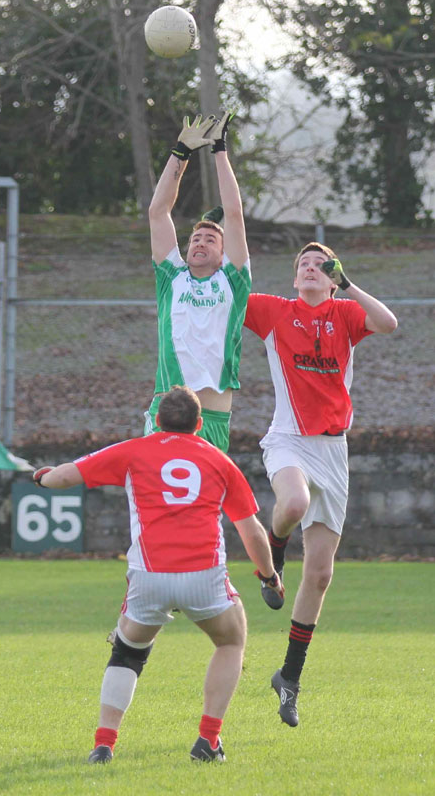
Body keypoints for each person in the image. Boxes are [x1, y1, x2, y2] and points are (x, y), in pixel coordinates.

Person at [33, 385, 283, 763]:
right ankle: (208, 741)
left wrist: (44, 478)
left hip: (149, 576)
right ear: (199, 424)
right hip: (204, 575)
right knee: (231, 642)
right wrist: (269, 577)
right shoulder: (218, 461)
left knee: (128, 651)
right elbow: (252, 531)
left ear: (156, 422)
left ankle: (104, 744)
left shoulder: (134, 450)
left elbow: (66, 477)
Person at [244, 242, 398, 727]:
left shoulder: (346, 313)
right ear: (293, 279)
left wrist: (348, 283)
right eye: (302, 265)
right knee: (292, 502)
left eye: (320, 266)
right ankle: (272, 559)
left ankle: (289, 677)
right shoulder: (273, 311)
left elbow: (389, 323)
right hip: (289, 439)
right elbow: (226, 292)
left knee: (322, 577)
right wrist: (215, 239)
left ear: (331, 279)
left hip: (334, 451)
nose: (310, 269)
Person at [145, 111, 251, 453]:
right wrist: (181, 153)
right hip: (165, 413)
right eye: (196, 238)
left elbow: (233, 214)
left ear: (224, 255)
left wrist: (219, 150)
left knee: (208, 507)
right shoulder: (171, 277)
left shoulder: (233, 281)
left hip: (213, 417)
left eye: (210, 239)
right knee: (154, 502)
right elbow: (158, 212)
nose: (200, 242)